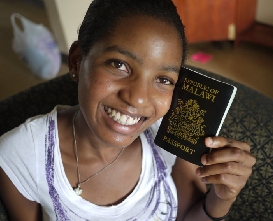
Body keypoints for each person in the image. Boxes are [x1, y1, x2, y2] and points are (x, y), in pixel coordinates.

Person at [0, 0, 256, 220]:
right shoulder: (22, 155)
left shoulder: (171, 133)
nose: (139, 99)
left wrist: (221, 199)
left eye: (163, 79)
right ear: (77, 61)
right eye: (119, 64)